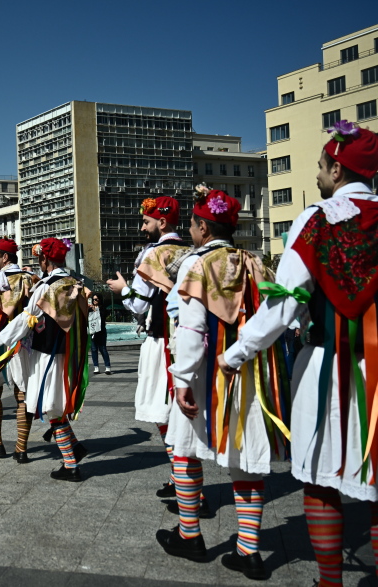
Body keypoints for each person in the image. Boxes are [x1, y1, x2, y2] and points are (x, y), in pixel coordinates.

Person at [217, 121, 378, 585]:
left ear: (337, 167)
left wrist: (237, 354)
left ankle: (330, 581)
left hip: (327, 366)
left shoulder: (318, 218)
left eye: (321, 167)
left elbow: (284, 301)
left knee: (321, 479)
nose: (317, 176)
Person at [153, 190, 288, 581]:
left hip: (206, 374)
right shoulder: (254, 263)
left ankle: (190, 533)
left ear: (202, 227)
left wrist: (181, 379)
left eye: (194, 225)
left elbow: (191, 328)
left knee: (183, 448)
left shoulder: (197, 265)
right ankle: (248, 550)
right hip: (248, 373)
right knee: (245, 458)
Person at [0, 238, 91, 481]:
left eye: (39, 259)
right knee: (55, 404)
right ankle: (75, 448)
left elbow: (25, 319)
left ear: (45, 260)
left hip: (48, 356)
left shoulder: (47, 287)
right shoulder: (74, 282)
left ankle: (70, 465)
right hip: (68, 354)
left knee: (51, 408)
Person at [107, 196, 189, 498]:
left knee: (163, 411)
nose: (143, 228)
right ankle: (178, 477)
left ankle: (188, 486)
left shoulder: (153, 254)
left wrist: (122, 289)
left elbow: (139, 306)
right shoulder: (191, 250)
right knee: (179, 411)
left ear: (162, 222)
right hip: (188, 337)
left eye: (146, 222)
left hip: (162, 339)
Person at [0, 238, 34, 461]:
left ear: (5, 257)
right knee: (22, 397)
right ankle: (21, 449)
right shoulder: (31, 278)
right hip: (24, 345)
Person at [88, 294, 110, 374]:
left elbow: (103, 317)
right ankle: (96, 367)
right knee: (94, 350)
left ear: (99, 300)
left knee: (103, 349)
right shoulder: (90, 309)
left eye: (96, 299)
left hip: (101, 332)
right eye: (93, 299)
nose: (94, 301)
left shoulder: (102, 309)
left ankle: (107, 367)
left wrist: (96, 311)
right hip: (93, 332)